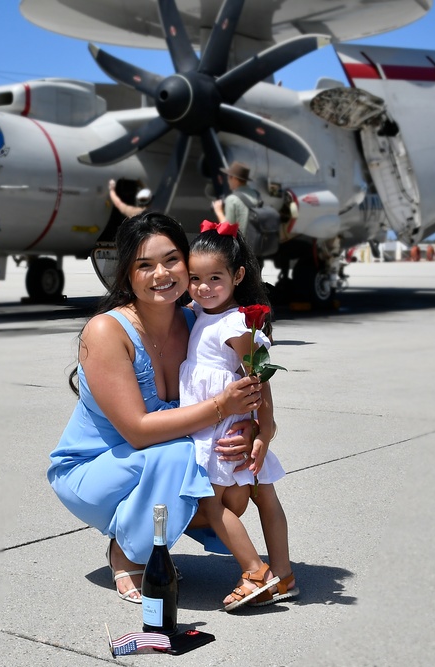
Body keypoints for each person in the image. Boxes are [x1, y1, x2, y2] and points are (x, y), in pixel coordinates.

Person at [47, 212, 279, 610]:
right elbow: (138, 431)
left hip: (164, 459)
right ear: (125, 274)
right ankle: (128, 552)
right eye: (144, 265)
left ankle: (152, 533)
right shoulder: (107, 331)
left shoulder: (195, 322)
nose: (161, 274)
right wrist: (221, 407)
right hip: (95, 469)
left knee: (234, 491)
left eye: (171, 260)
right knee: (183, 456)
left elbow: (248, 381)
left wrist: (249, 430)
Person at [179, 220, 298, 606]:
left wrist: (263, 432)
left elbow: (258, 378)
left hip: (224, 430)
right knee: (266, 497)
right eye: (195, 277)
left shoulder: (233, 323)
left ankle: (255, 571)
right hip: (226, 422)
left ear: (238, 275)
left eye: (215, 277)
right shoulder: (203, 313)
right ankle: (283, 574)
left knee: (212, 502)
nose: (203, 287)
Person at [211, 161, 260, 238]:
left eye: (228, 177)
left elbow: (227, 229)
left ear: (233, 178)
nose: (228, 180)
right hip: (255, 244)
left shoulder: (232, 199)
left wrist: (219, 211)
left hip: (241, 247)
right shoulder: (256, 194)